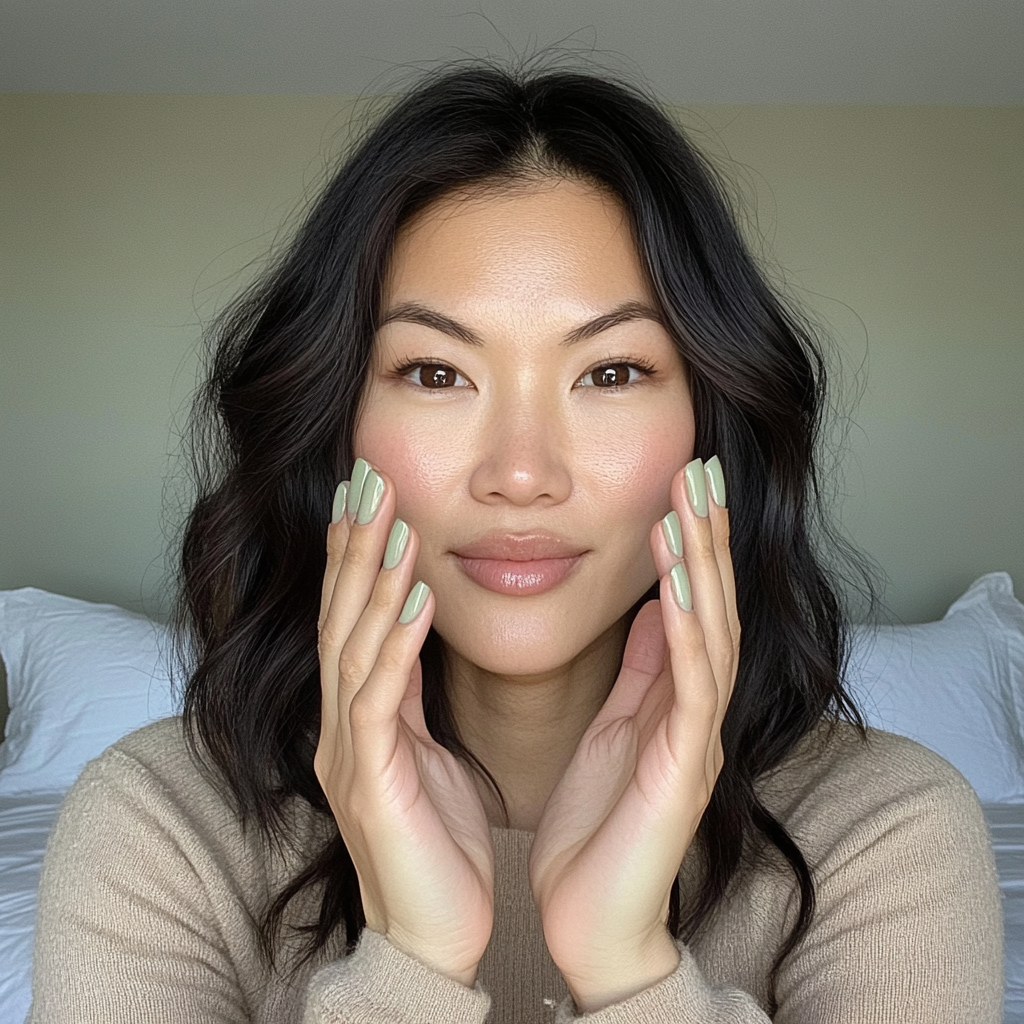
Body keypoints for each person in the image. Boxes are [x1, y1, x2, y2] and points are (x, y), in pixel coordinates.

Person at [30, 61, 1003, 1022]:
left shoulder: (887, 832)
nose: (522, 471)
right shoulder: (157, 826)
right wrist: (412, 962)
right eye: (437, 374)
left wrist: (626, 966)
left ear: (710, 427)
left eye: (613, 371)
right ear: (337, 428)